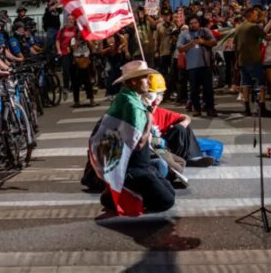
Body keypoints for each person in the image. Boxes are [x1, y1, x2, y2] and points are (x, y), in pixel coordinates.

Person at [89, 61, 175, 216]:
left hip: (141, 163)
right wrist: (149, 119)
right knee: (166, 201)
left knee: (168, 187)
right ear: (134, 81)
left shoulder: (127, 96)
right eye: (145, 78)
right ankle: (121, 192)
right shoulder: (131, 104)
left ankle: (127, 190)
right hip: (132, 167)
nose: (149, 82)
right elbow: (138, 144)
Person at [144, 73, 214, 166]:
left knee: (181, 128)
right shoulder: (140, 112)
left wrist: (183, 123)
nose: (157, 100)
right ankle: (190, 158)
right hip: (155, 147)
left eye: (160, 95)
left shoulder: (160, 111)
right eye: (155, 95)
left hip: (164, 144)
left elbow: (185, 117)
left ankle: (193, 157)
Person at [177, 16, 218, 117]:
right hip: (192, 66)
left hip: (205, 64)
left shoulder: (205, 31)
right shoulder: (184, 34)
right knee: (194, 89)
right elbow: (180, 48)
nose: (193, 25)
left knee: (208, 89)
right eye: (191, 23)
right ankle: (197, 109)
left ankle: (210, 108)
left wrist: (203, 42)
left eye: (195, 23)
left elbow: (214, 42)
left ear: (199, 23)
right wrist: (191, 44)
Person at [233, 6, 267, 116]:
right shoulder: (254, 27)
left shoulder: (238, 28)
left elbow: (235, 45)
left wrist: (237, 60)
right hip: (254, 59)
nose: (256, 16)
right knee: (260, 83)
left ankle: (246, 108)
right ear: (250, 15)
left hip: (242, 60)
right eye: (255, 14)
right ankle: (262, 107)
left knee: (246, 84)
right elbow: (268, 37)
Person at [69, 28, 97, 108]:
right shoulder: (73, 40)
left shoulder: (87, 40)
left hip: (86, 62)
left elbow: (92, 49)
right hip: (76, 63)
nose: (81, 34)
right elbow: (73, 48)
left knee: (88, 83)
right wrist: (78, 42)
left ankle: (92, 100)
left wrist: (87, 41)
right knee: (76, 83)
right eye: (79, 33)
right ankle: (76, 101)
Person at [56, 17, 77, 91]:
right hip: (64, 52)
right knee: (66, 70)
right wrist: (59, 50)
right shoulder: (62, 30)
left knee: (73, 70)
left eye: (72, 19)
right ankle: (66, 86)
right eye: (69, 19)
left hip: (74, 53)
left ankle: (74, 86)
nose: (71, 20)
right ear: (67, 20)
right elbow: (57, 40)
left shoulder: (76, 30)